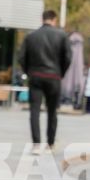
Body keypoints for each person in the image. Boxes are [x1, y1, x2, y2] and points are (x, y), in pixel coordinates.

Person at [19, 11, 71, 150]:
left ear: (42, 19)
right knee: (52, 111)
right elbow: (67, 58)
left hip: (35, 76)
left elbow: (22, 57)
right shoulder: (61, 36)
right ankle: (50, 143)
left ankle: (36, 143)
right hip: (54, 77)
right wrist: (61, 72)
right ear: (54, 19)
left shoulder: (31, 36)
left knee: (34, 110)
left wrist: (29, 72)